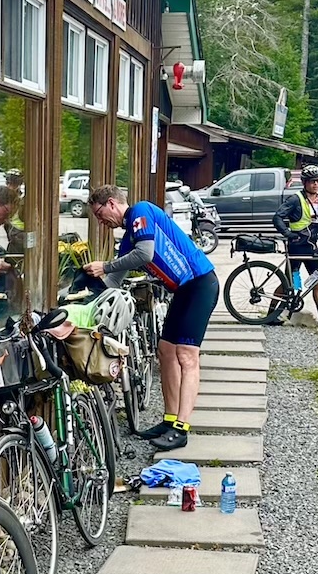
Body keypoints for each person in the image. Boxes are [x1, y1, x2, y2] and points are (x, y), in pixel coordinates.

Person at [84, 185, 219, 451]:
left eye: (100, 214)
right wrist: (84, 299)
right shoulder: (128, 236)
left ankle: (181, 428)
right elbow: (112, 281)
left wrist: (105, 265)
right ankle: (169, 420)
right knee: (166, 350)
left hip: (200, 283)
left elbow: (144, 254)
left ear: (111, 204)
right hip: (182, 289)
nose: (100, 221)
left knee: (187, 355)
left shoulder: (140, 211)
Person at [272, 165, 318, 308]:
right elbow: (277, 218)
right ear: (305, 183)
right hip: (296, 246)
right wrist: (288, 234)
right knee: (289, 283)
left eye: (317, 181)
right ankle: (272, 313)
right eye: (312, 181)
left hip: (312, 247)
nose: (315, 184)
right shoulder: (295, 199)